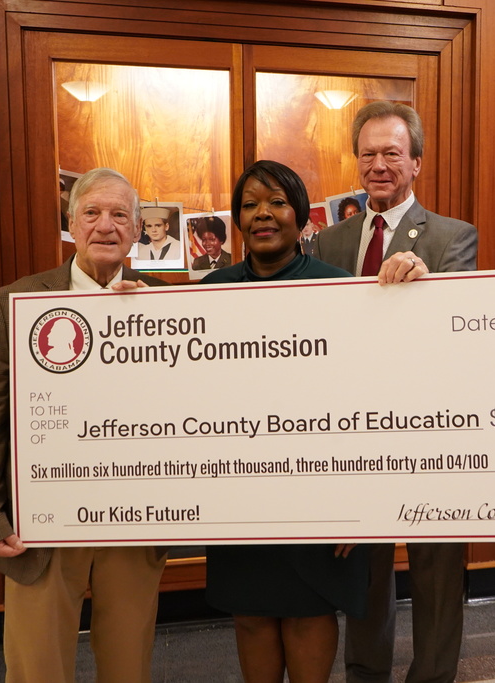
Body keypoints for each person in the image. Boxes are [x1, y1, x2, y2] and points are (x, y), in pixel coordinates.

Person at [0, 167, 169, 683]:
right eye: (92, 213)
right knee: (37, 669)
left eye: (120, 214)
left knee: (128, 667)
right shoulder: (17, 302)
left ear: (138, 227)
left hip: (133, 522)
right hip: (42, 527)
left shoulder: (166, 303)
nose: (106, 225)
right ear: (71, 225)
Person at [314, 101, 477, 683]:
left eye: (392, 153)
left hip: (433, 434)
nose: (379, 165)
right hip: (355, 436)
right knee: (367, 571)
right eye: (368, 154)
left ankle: (433, 677)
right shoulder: (328, 243)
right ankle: (366, 674)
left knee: (436, 571)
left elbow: (456, 327)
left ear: (415, 163)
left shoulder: (454, 237)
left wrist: (424, 284)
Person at [201, 160, 369, 683]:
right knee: (251, 616)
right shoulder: (209, 292)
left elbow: (367, 400)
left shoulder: (342, 289)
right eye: (249, 205)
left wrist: (359, 499)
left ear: (300, 214)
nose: (263, 215)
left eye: (276, 201)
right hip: (238, 487)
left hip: (321, 488)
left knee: (309, 612)